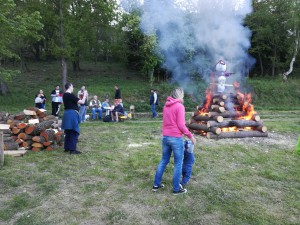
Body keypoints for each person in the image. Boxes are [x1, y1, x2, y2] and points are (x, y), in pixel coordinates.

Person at [152, 88, 196, 195]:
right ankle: (176, 189)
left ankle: (156, 185)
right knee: (178, 163)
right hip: (176, 138)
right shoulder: (180, 106)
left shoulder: (166, 106)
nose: (183, 97)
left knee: (164, 160)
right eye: (183, 95)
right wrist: (191, 136)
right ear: (179, 95)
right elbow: (181, 125)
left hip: (165, 137)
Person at [61, 82, 87, 154]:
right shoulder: (70, 95)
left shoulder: (65, 95)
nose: (73, 88)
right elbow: (82, 102)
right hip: (71, 114)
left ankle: (67, 148)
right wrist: (85, 95)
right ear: (69, 87)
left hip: (67, 113)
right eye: (72, 86)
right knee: (73, 131)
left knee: (68, 131)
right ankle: (72, 150)